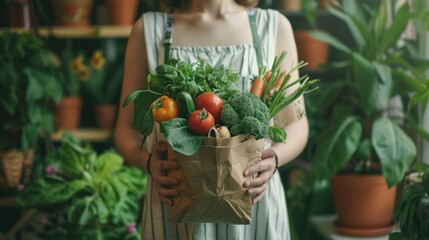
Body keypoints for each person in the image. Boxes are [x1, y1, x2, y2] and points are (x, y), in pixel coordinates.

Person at [114, 0, 309, 239]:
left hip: (254, 200)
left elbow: (296, 123)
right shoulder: (149, 29)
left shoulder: (273, 26)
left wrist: (274, 159)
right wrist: (149, 163)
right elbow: (125, 130)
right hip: (175, 201)